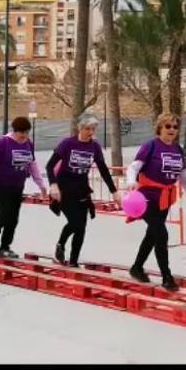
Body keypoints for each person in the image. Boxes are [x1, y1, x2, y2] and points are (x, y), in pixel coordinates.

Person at [124, 113, 186, 292]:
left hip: (164, 199)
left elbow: (183, 173)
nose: (172, 130)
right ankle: (167, 277)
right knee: (161, 234)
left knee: (152, 234)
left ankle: (137, 267)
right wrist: (130, 181)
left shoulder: (177, 149)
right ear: (160, 128)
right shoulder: (150, 146)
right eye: (168, 126)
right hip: (146, 198)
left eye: (175, 127)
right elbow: (134, 167)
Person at [46, 113, 121, 266]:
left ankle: (73, 261)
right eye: (87, 129)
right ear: (80, 128)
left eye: (93, 129)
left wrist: (114, 191)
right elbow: (49, 165)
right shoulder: (67, 143)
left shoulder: (94, 147)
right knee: (75, 222)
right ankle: (60, 244)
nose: (90, 133)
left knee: (81, 227)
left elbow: (104, 170)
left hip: (81, 189)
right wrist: (53, 185)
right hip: (64, 188)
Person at [0, 117, 47, 258]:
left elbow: (32, 165)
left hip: (17, 185)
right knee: (7, 211)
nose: (23, 136)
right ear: (14, 131)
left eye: (26, 133)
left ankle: (5, 247)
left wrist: (41, 184)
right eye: (21, 133)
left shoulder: (29, 144)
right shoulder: (2, 142)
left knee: (14, 218)